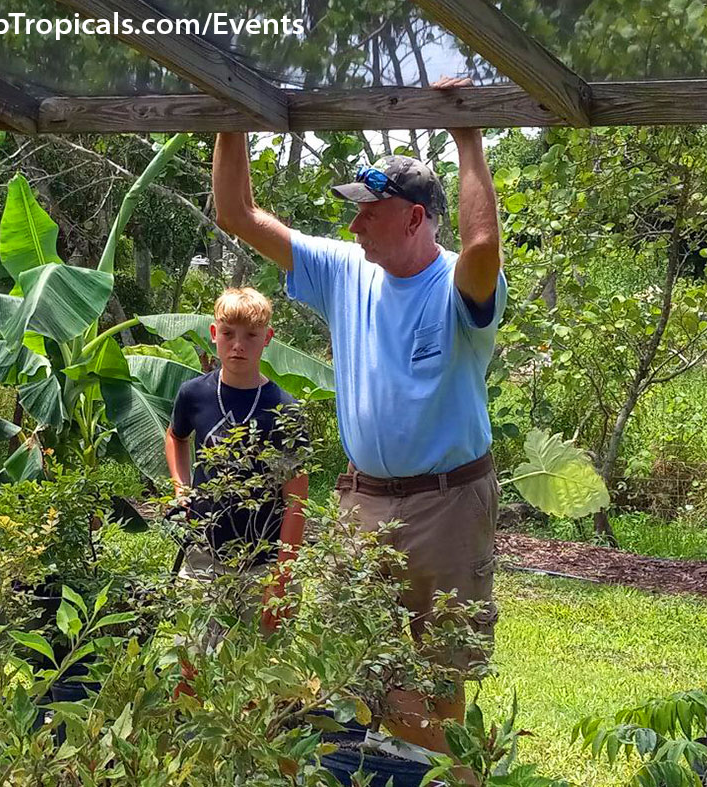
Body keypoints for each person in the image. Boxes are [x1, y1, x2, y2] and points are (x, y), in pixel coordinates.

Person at [210, 76, 505, 752]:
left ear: (414, 218)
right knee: (344, 659)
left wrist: (468, 139)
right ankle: (381, 761)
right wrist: (232, 111)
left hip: (448, 501)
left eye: (368, 211)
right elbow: (237, 213)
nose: (352, 224)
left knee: (440, 673)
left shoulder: (460, 281)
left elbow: (485, 246)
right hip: (363, 501)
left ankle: (439, 767)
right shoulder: (346, 268)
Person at [165, 287, 308, 633]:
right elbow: (175, 436)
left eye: (251, 336)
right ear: (214, 335)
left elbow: (297, 500)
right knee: (192, 664)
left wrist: (282, 576)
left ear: (267, 339)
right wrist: (181, 489)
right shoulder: (194, 394)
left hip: (264, 559)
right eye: (228, 334)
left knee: (263, 669)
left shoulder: (284, 409)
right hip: (205, 555)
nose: (238, 345)